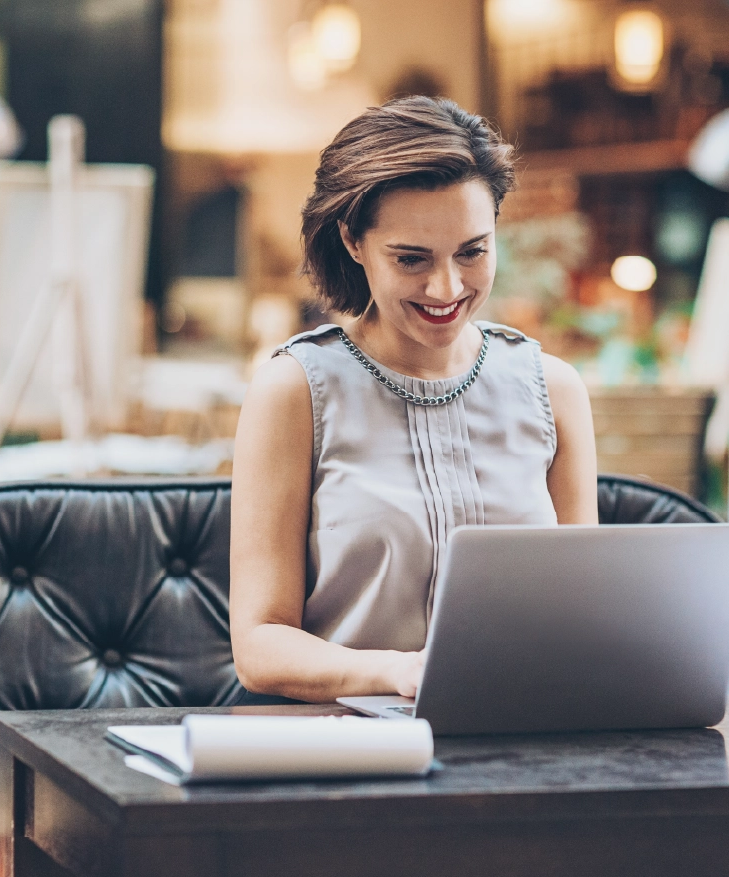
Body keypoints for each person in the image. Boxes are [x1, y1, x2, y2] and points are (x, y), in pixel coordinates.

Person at [230, 97, 598, 703]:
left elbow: (584, 615)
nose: (446, 287)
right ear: (353, 242)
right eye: (411, 259)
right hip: (345, 738)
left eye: (472, 252)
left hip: (522, 733)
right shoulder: (294, 390)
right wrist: (398, 673)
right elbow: (259, 646)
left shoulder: (553, 390)